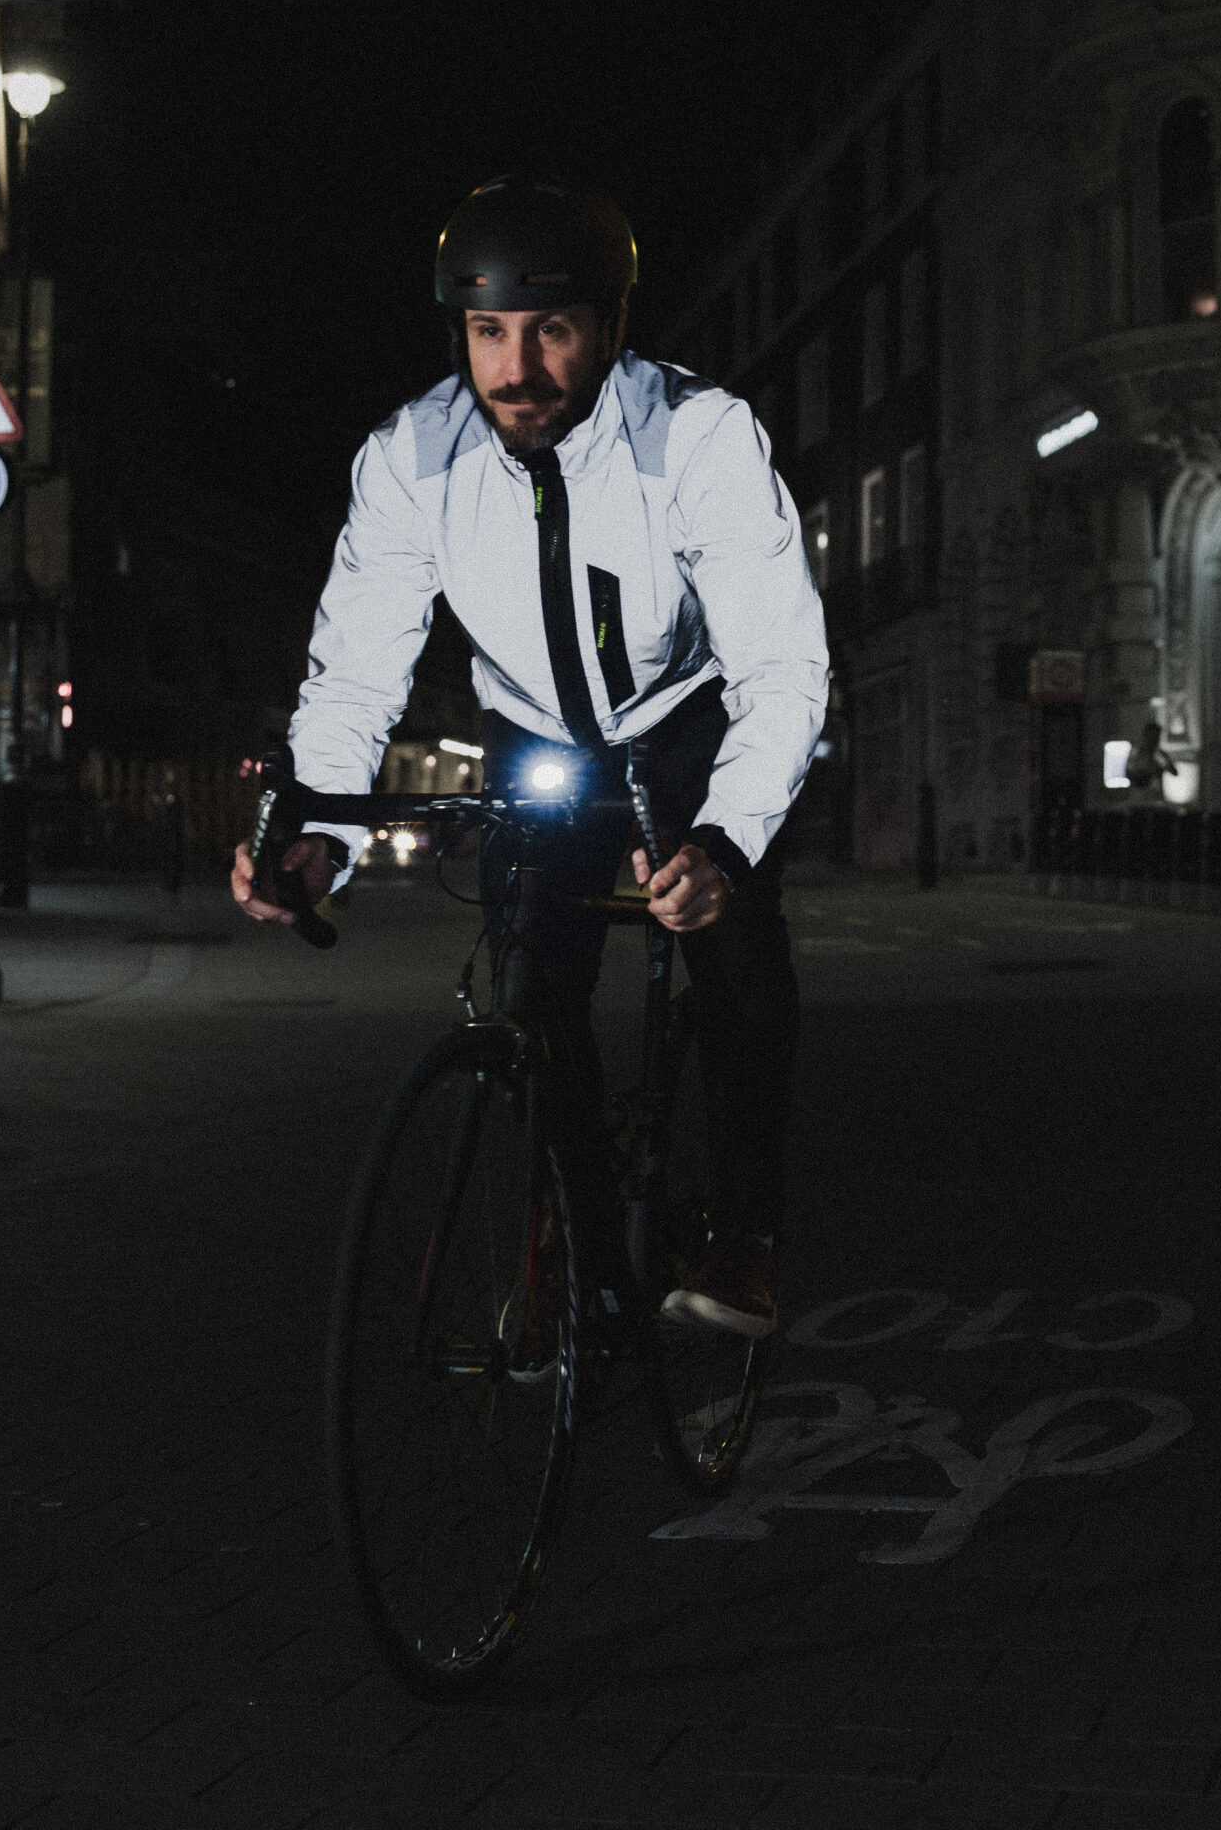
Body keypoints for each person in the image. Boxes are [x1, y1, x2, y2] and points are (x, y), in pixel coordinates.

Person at [230, 175, 827, 1339]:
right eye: (488, 332)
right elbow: (355, 673)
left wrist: (724, 834)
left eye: (551, 329)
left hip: (686, 724)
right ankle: (581, 1249)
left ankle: (746, 1231)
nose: (518, 370)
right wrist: (320, 838)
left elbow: (783, 665)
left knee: (739, 957)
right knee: (533, 994)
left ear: (608, 325)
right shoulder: (411, 458)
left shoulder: (697, 436)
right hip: (535, 733)